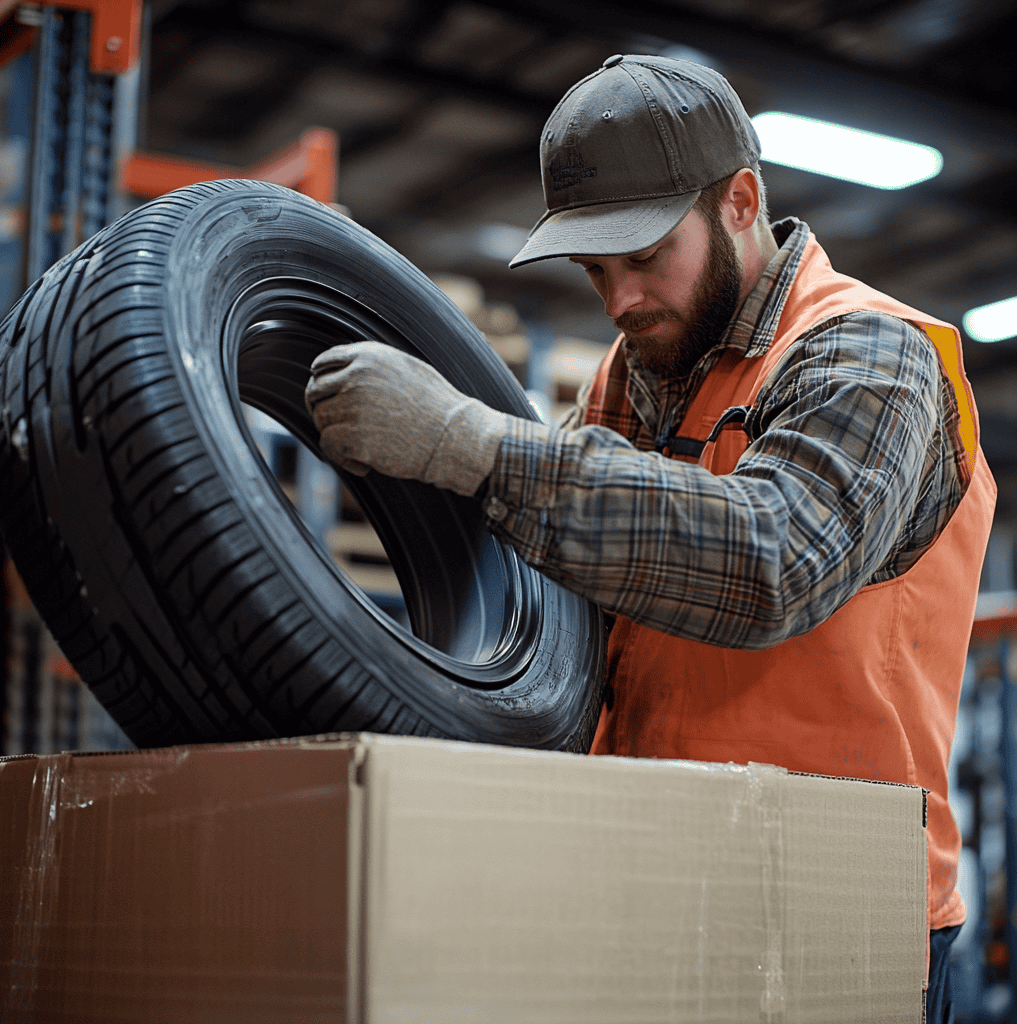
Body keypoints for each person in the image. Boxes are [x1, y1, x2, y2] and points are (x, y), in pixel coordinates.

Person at [305, 55, 994, 1020]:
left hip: (836, 902)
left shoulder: (871, 353)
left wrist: (470, 443)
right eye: (595, 271)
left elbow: (774, 563)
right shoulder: (632, 376)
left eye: (644, 256)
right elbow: (549, 579)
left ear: (740, 202)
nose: (620, 301)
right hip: (657, 869)